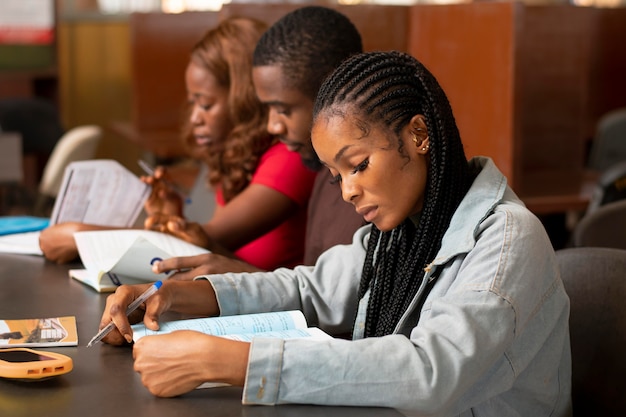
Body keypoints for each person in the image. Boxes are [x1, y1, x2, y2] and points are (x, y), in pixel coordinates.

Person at [98, 51, 572, 415]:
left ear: (419, 135)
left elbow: (432, 371)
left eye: (359, 165)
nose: (347, 191)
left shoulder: (509, 240)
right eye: (336, 176)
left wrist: (231, 363)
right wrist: (182, 295)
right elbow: (310, 289)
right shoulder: (403, 227)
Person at [39, 17, 317, 271]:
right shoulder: (240, 155)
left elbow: (206, 239)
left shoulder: (289, 159)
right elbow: (215, 252)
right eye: (192, 102)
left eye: (206, 104)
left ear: (244, 101)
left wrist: (80, 235)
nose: (195, 117)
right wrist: (174, 218)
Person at [150, 6, 366, 279]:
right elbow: (316, 293)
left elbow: (329, 301)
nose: (272, 125)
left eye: (283, 110)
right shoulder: (324, 172)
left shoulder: (297, 160)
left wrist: (81, 235)